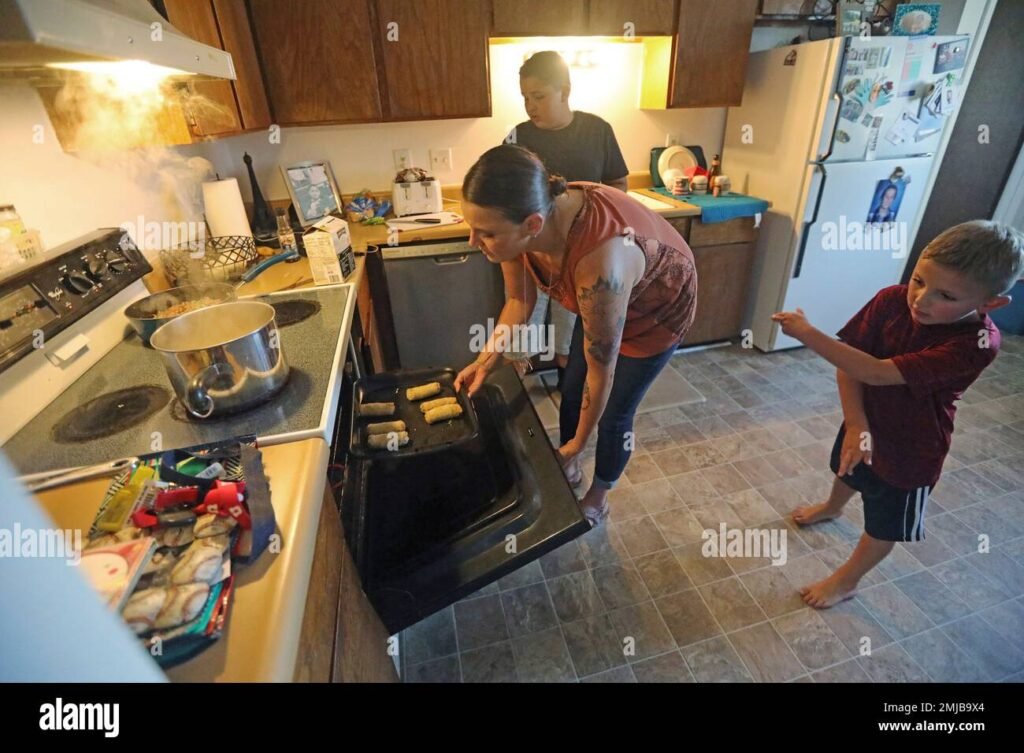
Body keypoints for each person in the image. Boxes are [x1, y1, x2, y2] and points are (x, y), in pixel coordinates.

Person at [773, 220, 1024, 608]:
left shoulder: (977, 343)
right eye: (919, 280)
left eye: (946, 295)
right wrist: (857, 423)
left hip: (913, 448)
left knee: (885, 522)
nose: (920, 300)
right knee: (849, 467)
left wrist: (808, 333)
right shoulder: (893, 299)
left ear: (989, 303)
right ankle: (833, 507)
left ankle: (846, 581)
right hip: (867, 417)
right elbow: (853, 362)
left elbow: (876, 371)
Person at [455, 145, 697, 526]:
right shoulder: (526, 222)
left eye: (485, 233)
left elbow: (603, 370)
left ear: (532, 225)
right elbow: (519, 300)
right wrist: (486, 361)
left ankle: (598, 495)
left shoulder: (600, 264)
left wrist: (581, 442)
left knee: (615, 411)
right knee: (572, 385)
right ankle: (568, 459)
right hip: (610, 301)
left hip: (656, 310)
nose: (473, 241)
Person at [505, 51, 629, 386]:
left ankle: (568, 388)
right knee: (523, 323)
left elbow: (618, 184)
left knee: (571, 325)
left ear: (565, 90)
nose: (530, 106)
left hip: (582, 253)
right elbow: (503, 189)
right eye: (525, 98)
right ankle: (515, 389)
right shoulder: (518, 136)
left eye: (539, 97)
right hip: (531, 250)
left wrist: (604, 229)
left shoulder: (597, 130)